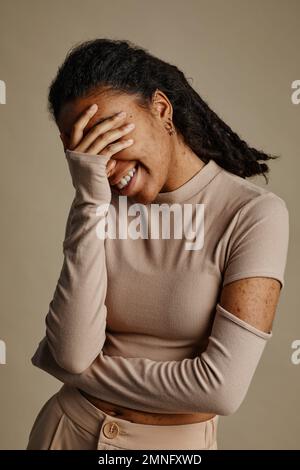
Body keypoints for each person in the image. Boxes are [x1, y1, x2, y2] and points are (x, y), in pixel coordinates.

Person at [27, 38, 289, 450]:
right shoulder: (96, 201)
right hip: (66, 433)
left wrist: (64, 367)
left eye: (109, 135)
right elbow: (75, 353)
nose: (105, 165)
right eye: (85, 148)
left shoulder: (253, 215)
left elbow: (220, 390)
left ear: (162, 110)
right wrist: (89, 200)